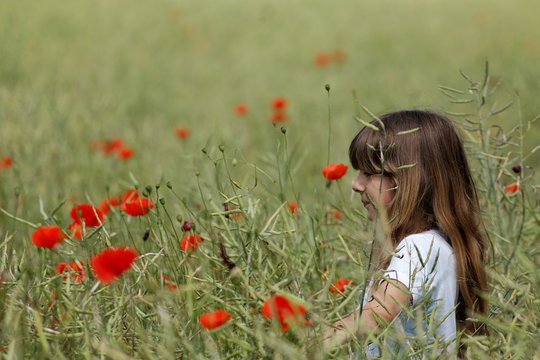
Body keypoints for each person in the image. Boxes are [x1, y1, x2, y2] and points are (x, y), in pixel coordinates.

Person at [325, 110, 489, 358]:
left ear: (412, 179)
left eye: (369, 173)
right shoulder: (437, 244)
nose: (356, 184)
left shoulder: (416, 249)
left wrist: (311, 342)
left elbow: (374, 316)